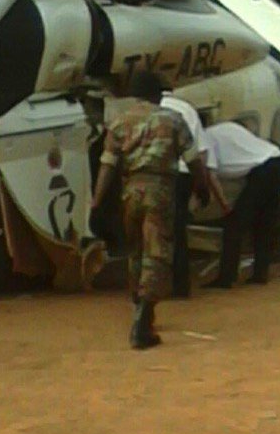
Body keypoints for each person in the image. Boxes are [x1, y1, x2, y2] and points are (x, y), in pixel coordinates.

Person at [90, 71, 209, 349]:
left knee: (137, 251)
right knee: (157, 253)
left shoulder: (120, 123)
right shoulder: (172, 121)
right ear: (158, 94)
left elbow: (107, 165)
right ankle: (143, 318)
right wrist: (201, 188)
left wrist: (96, 202)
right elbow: (194, 161)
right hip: (160, 189)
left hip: (130, 190)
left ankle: (139, 306)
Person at [203, 121, 280, 289]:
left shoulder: (205, 140)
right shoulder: (226, 127)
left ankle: (226, 277)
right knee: (263, 223)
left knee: (234, 225)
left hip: (263, 170)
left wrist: (224, 206)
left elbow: (211, 177)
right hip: (278, 163)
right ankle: (260, 273)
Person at [159, 86, 210, 298]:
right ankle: (180, 285)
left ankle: (149, 285)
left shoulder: (146, 110)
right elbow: (201, 153)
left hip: (157, 173)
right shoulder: (186, 109)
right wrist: (200, 186)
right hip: (183, 174)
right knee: (178, 230)